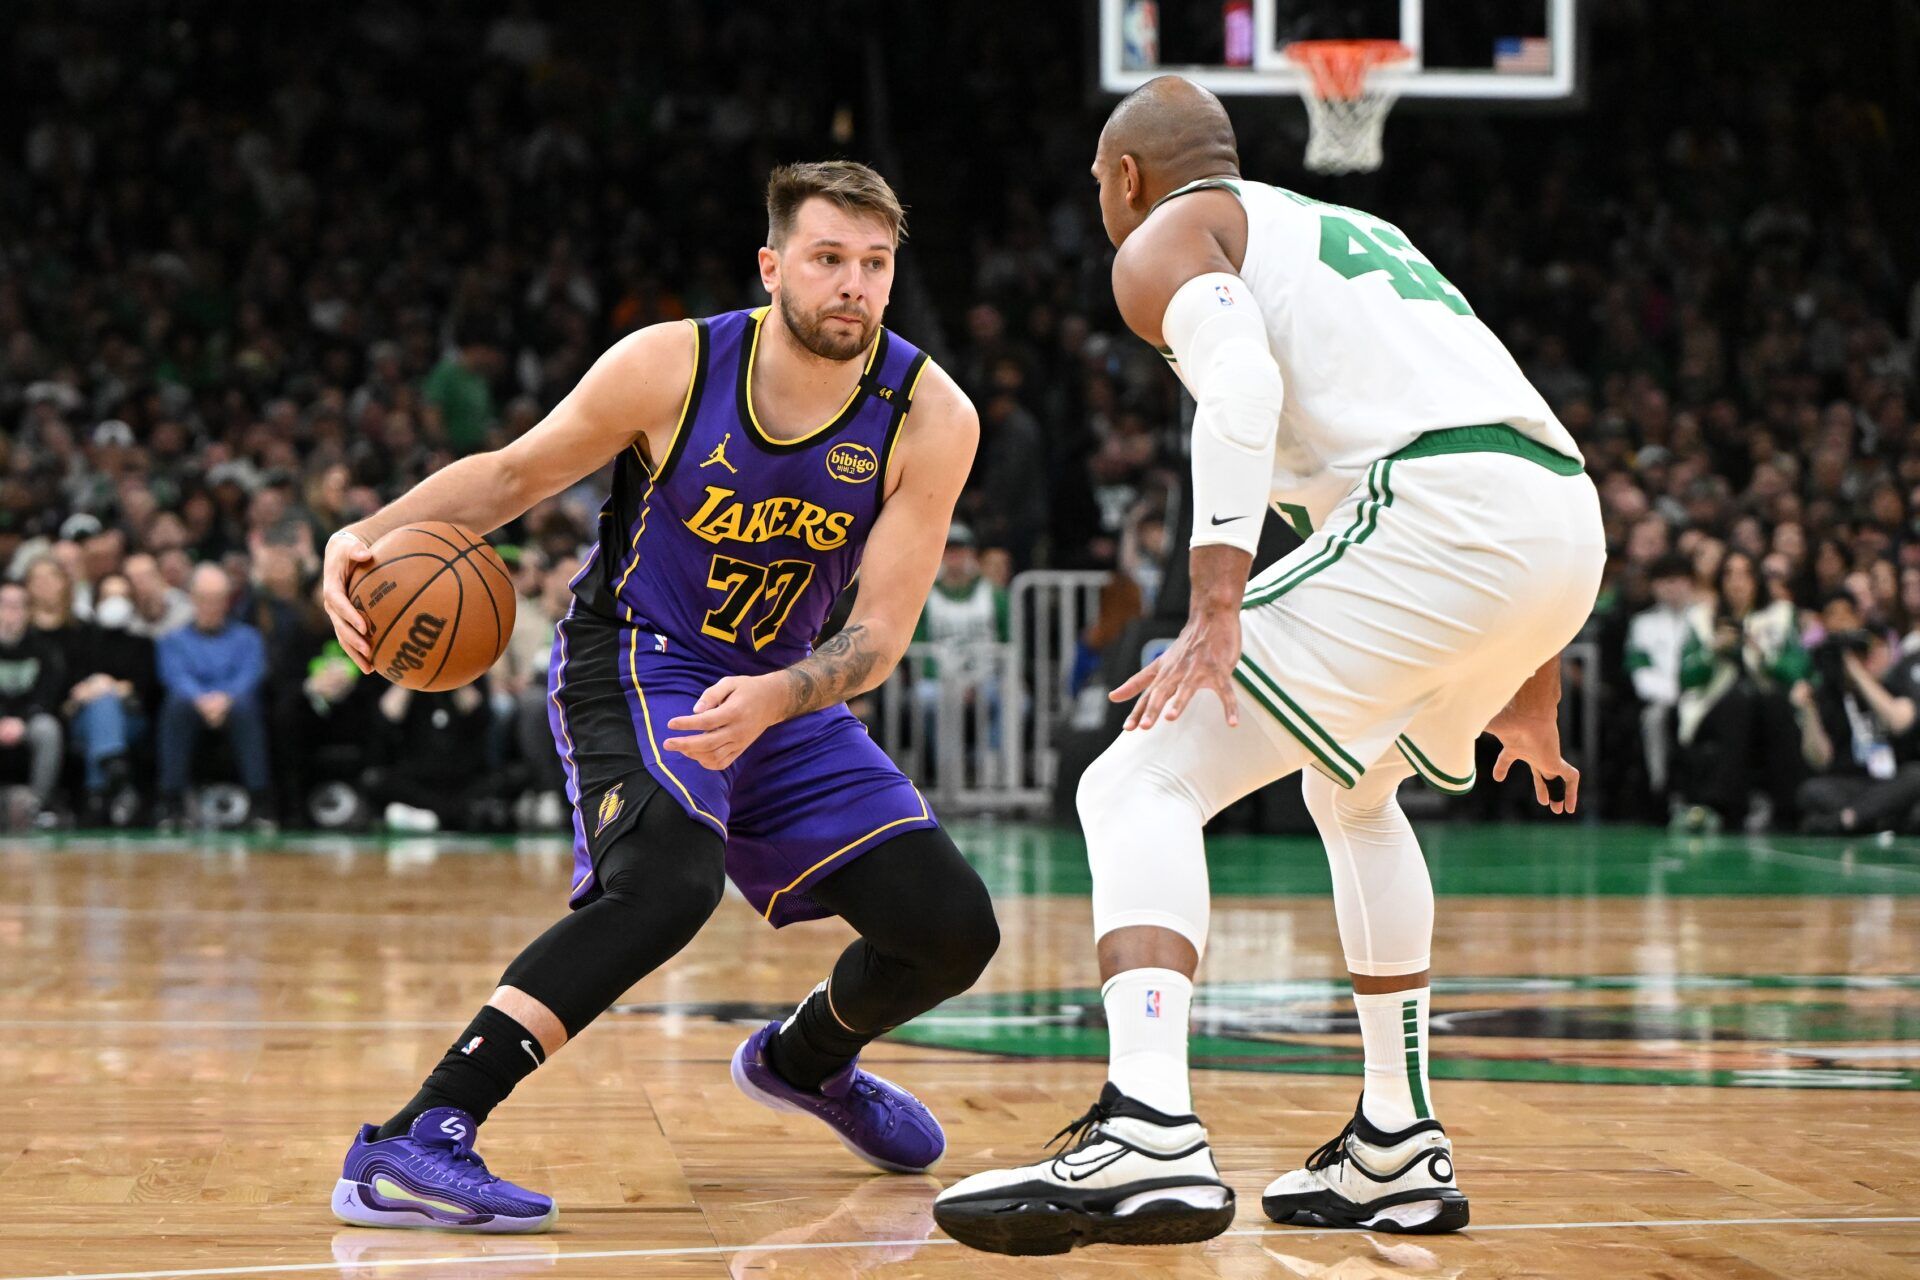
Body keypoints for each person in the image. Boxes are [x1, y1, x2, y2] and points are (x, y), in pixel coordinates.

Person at [935, 77, 1603, 1252]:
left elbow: (1237, 389)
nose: (1103, 204)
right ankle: (1397, 1145)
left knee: (1136, 779)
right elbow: (1485, 430)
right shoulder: (1350, 236)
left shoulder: (1162, 240)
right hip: (1557, 518)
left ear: (1127, 177)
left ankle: (1149, 1122)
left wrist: (1213, 598)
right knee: (1353, 786)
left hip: (1446, 512)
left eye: (1100, 184)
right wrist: (1530, 676)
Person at [319, 162, 994, 1234]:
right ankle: (413, 1136)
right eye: (828, 260)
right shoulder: (670, 365)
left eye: (875, 265)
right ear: (774, 267)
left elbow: (879, 635)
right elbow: (507, 478)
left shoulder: (930, 413)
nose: (852, 287)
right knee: (669, 877)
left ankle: (806, 1060)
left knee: (952, 929)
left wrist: (779, 695)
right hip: (643, 655)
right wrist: (364, 536)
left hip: (784, 685)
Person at [26, 558, 155, 822]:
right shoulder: (28, 636)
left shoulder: (87, 633)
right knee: (101, 706)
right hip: (66, 712)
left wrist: (109, 687)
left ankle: (97, 793)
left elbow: (145, 686)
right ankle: (109, 772)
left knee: (103, 705)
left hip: (113, 714)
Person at [154, 564, 273, 828]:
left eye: (218, 599)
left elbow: (251, 674)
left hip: (234, 706)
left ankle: (260, 801)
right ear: (192, 599)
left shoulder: (248, 638)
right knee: (176, 705)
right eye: (205, 598)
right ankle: (171, 802)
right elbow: (174, 676)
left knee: (246, 707)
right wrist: (202, 700)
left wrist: (226, 699)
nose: (211, 606)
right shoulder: (173, 640)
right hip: (192, 705)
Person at [1624, 552, 1697, 802]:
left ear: (1690, 583)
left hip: (1703, 698)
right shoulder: (1642, 624)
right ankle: (1661, 789)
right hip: (1663, 700)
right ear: (1654, 586)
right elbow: (1641, 674)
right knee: (1654, 719)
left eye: (1678, 580)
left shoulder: (1704, 618)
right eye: (1665, 582)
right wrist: (1676, 695)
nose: (1672, 588)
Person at [0, 580, 65, 825]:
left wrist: (21, 720)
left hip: (29, 720)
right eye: (4, 605)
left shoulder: (45, 649)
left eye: (17, 607)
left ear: (28, 612)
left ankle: (38, 805)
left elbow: (47, 695)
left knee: (48, 729)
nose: (10, 613)